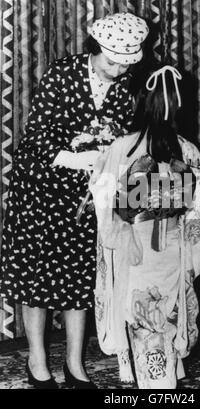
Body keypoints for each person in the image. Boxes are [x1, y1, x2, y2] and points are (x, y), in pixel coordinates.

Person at [0, 12, 149, 389]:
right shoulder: (62, 74)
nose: (118, 70)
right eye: (112, 61)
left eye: (125, 64)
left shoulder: (127, 82)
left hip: (90, 191)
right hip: (42, 186)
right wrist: (78, 158)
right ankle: (37, 361)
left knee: (80, 278)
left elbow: (124, 133)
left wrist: (111, 161)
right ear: (95, 50)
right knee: (38, 275)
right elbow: (38, 133)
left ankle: (75, 364)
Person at [90, 65, 200, 388]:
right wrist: (189, 246)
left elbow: (105, 203)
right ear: (177, 106)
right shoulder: (188, 151)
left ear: (138, 101)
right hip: (171, 249)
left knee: (141, 322)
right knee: (164, 320)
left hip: (132, 248)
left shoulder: (122, 148)